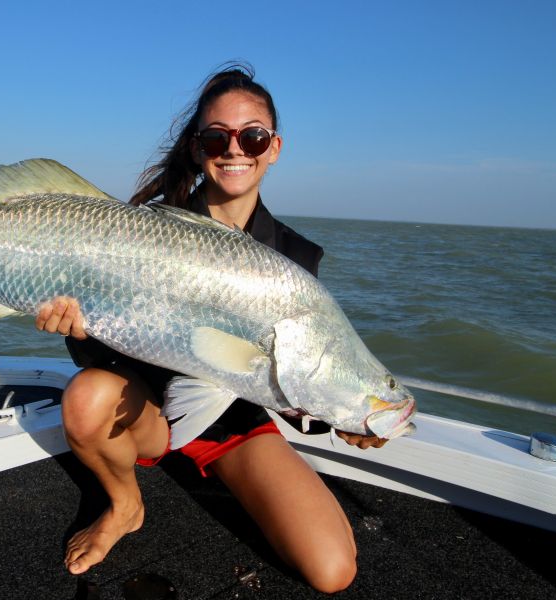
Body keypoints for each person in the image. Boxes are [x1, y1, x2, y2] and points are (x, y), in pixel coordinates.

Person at [35, 64, 385, 594]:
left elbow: (298, 375)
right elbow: (108, 345)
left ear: (274, 147)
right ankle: (126, 503)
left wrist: (343, 418)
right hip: (148, 410)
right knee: (85, 397)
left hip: (234, 422)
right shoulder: (144, 226)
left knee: (333, 571)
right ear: (199, 148)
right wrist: (77, 329)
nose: (235, 149)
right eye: (217, 137)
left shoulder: (295, 258)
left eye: (253, 136)